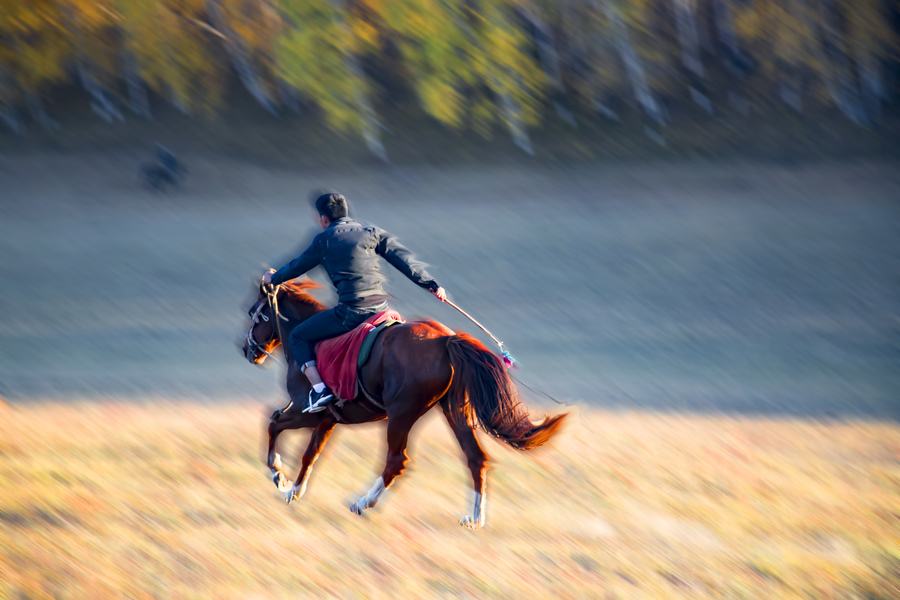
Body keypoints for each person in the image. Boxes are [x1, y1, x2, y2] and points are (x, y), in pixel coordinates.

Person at [262, 192, 447, 413]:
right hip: (381, 310)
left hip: (350, 313)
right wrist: (432, 285)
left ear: (323, 219)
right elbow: (403, 260)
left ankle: (320, 389)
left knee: (298, 336)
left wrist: (273, 278)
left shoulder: (325, 240)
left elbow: (297, 266)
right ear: (347, 213)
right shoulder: (371, 232)